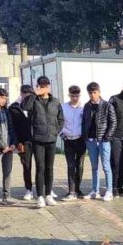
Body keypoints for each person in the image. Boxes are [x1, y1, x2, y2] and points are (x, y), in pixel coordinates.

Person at [21, 75, 64, 208]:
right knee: (40, 168)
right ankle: (40, 196)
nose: (43, 87)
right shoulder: (33, 100)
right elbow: (24, 107)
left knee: (49, 168)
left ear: (49, 87)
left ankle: (48, 195)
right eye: (41, 85)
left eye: (45, 85)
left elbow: (61, 119)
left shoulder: (55, 102)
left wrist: (55, 131)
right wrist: (34, 93)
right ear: (38, 86)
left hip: (51, 139)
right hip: (38, 140)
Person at [82, 82, 116, 202]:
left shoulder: (107, 105)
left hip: (103, 141)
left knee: (106, 166)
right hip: (90, 141)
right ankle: (95, 191)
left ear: (99, 92)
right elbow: (84, 122)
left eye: (95, 92)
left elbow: (113, 123)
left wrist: (107, 137)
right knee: (94, 167)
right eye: (90, 93)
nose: (92, 95)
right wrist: (85, 136)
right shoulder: (86, 106)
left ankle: (109, 191)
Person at [10, 85, 35, 201]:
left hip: (38, 139)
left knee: (42, 165)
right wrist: (18, 142)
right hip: (24, 141)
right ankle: (28, 189)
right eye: (25, 95)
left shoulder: (35, 105)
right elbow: (13, 127)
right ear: (21, 94)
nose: (28, 98)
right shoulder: (14, 108)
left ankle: (47, 189)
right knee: (27, 166)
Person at [60, 85, 85, 200]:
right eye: (72, 96)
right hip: (68, 140)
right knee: (71, 165)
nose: (75, 98)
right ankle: (71, 191)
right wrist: (62, 134)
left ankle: (78, 189)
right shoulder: (63, 107)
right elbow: (58, 121)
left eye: (77, 96)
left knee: (79, 165)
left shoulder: (84, 108)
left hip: (80, 140)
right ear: (69, 95)